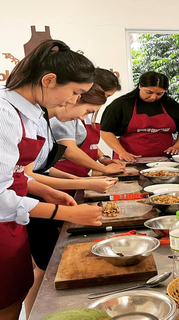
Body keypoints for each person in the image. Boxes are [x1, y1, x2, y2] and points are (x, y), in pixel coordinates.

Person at [0, 39, 102, 320]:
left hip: (13, 225)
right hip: (2, 224)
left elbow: (17, 174)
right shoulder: (4, 114)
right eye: (75, 93)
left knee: (14, 298)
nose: (73, 101)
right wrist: (65, 212)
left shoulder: (28, 113)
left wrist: (44, 191)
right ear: (49, 80)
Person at [23, 83, 119, 317]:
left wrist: (79, 181)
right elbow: (27, 175)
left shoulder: (44, 121)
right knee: (44, 268)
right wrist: (85, 183)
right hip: (28, 203)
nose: (80, 112)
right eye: (85, 109)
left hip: (41, 195)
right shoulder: (31, 120)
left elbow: (45, 168)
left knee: (44, 266)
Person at [100, 71, 179, 161]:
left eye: (159, 94)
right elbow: (106, 131)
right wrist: (121, 152)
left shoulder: (172, 106)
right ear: (140, 86)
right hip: (129, 159)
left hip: (165, 160)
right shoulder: (121, 104)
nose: (153, 97)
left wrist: (177, 146)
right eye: (149, 92)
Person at [50, 83, 125, 177]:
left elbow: (90, 144)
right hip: (63, 174)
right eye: (105, 95)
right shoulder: (65, 117)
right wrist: (103, 169)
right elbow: (70, 150)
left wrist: (102, 158)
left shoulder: (78, 115)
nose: (82, 117)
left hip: (75, 175)